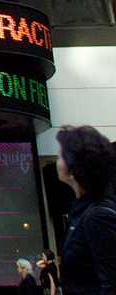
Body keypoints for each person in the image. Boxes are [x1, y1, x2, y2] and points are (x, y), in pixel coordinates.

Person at [55, 124, 116, 294]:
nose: (57, 159)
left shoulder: (97, 217)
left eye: (60, 155)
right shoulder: (82, 211)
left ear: (73, 168)